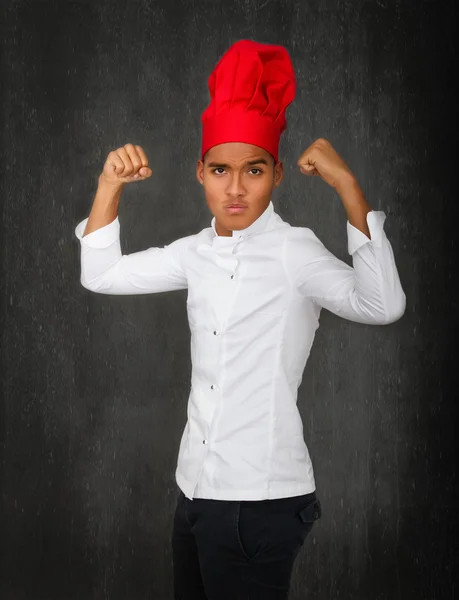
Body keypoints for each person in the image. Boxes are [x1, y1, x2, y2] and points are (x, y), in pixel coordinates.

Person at [74, 39, 406, 600]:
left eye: (252, 170)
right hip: (195, 490)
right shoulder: (195, 251)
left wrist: (347, 187)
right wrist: (109, 185)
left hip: (260, 502)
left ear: (277, 174)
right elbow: (101, 275)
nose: (235, 188)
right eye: (220, 170)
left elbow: (382, 305)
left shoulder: (293, 250)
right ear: (199, 172)